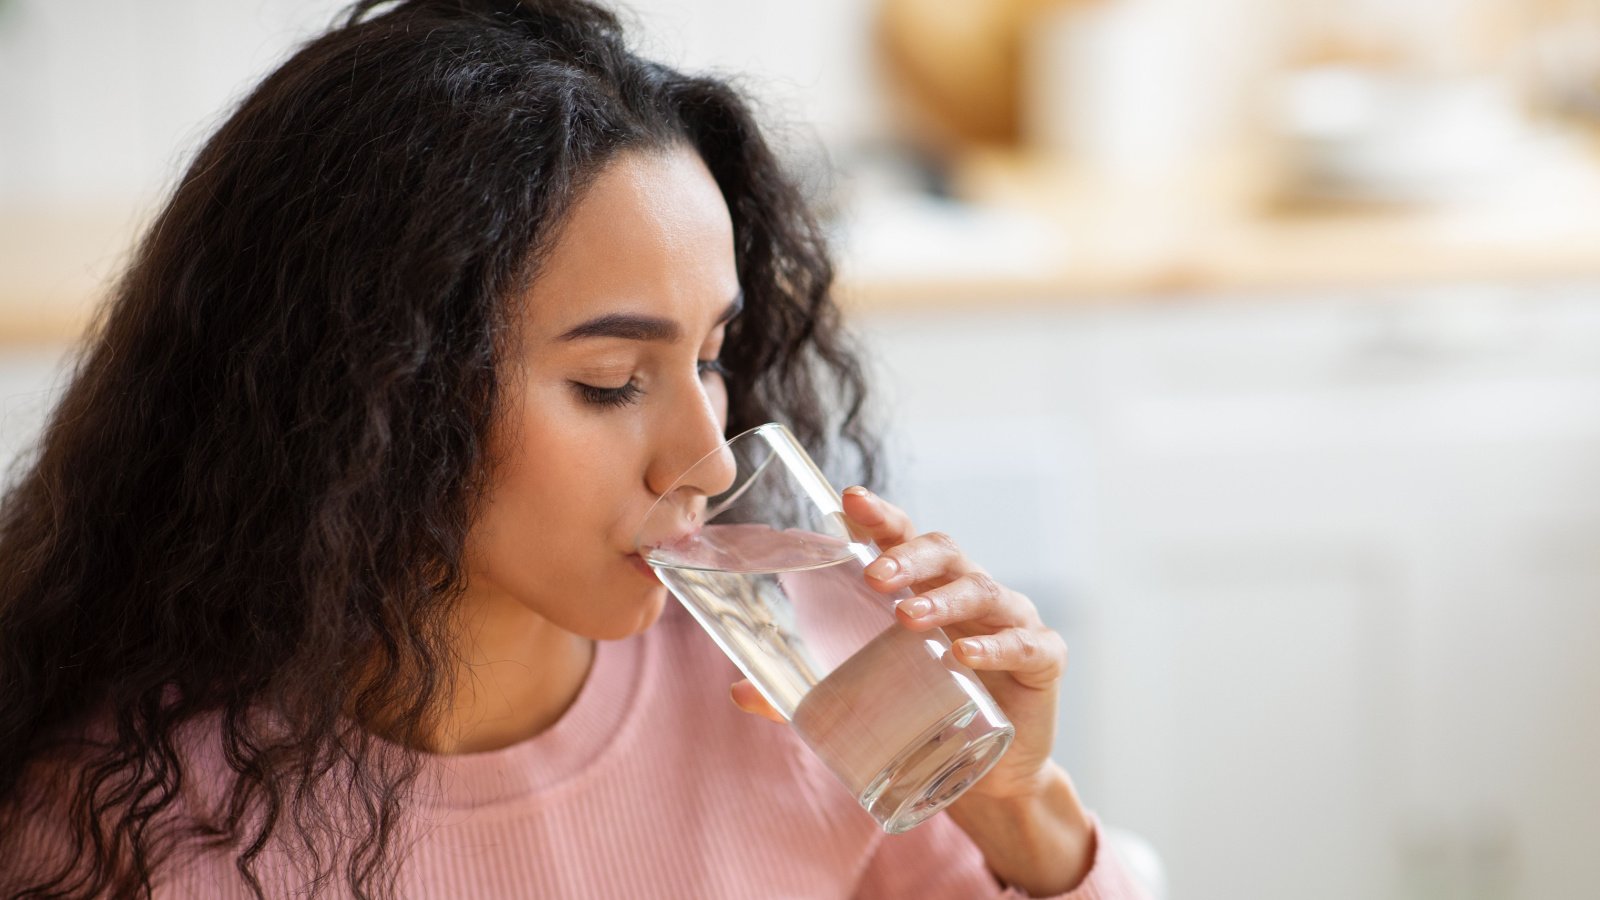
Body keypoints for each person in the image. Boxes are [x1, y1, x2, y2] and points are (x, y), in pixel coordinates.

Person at [0, 1, 1149, 897]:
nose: (705, 461)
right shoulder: (121, 817)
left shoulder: (814, 698)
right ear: (369, 389)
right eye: (610, 384)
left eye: (710, 355)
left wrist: (1018, 810)